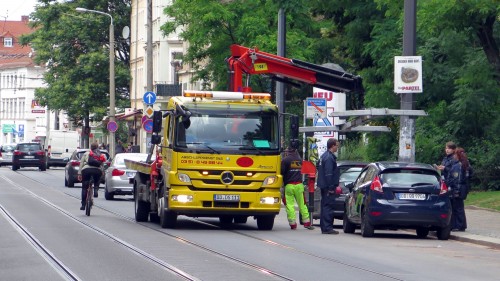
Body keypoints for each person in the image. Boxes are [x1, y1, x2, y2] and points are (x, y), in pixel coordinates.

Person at [281, 146, 314, 230]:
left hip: (289, 185)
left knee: (290, 205)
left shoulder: (285, 160)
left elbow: (282, 172)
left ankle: (293, 224)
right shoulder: (300, 160)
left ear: (288, 151)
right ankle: (306, 222)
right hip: (299, 185)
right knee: (302, 204)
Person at [316, 138, 340, 234]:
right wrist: (330, 187)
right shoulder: (329, 158)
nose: (337, 147)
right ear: (332, 146)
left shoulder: (323, 156)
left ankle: (324, 227)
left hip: (323, 185)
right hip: (328, 186)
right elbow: (329, 173)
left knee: (324, 206)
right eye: (336, 145)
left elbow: (318, 166)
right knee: (328, 207)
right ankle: (327, 227)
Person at [449, 147, 472, 231]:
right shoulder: (467, 164)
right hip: (463, 188)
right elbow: (470, 176)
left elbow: (456, 179)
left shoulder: (457, 166)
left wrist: (456, 191)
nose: (454, 156)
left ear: (457, 155)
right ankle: (461, 225)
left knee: (456, 208)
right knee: (460, 207)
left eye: (455, 154)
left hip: (457, 189)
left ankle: (458, 225)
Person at [77, 142, 105, 210]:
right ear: (97, 147)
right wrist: (102, 171)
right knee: (97, 180)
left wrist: (79, 173)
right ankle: (95, 189)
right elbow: (102, 164)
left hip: (86, 170)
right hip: (97, 170)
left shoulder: (86, 153)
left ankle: (83, 205)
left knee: (84, 187)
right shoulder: (100, 154)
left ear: (91, 147)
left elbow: (81, 163)